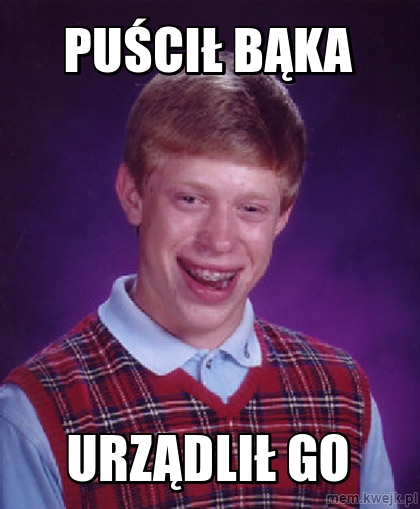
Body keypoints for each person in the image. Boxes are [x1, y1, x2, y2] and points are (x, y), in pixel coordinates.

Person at [0, 53, 395, 508]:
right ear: (133, 195)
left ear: (282, 217)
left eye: (251, 208)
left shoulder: (342, 396)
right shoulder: (36, 416)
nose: (219, 239)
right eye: (191, 199)